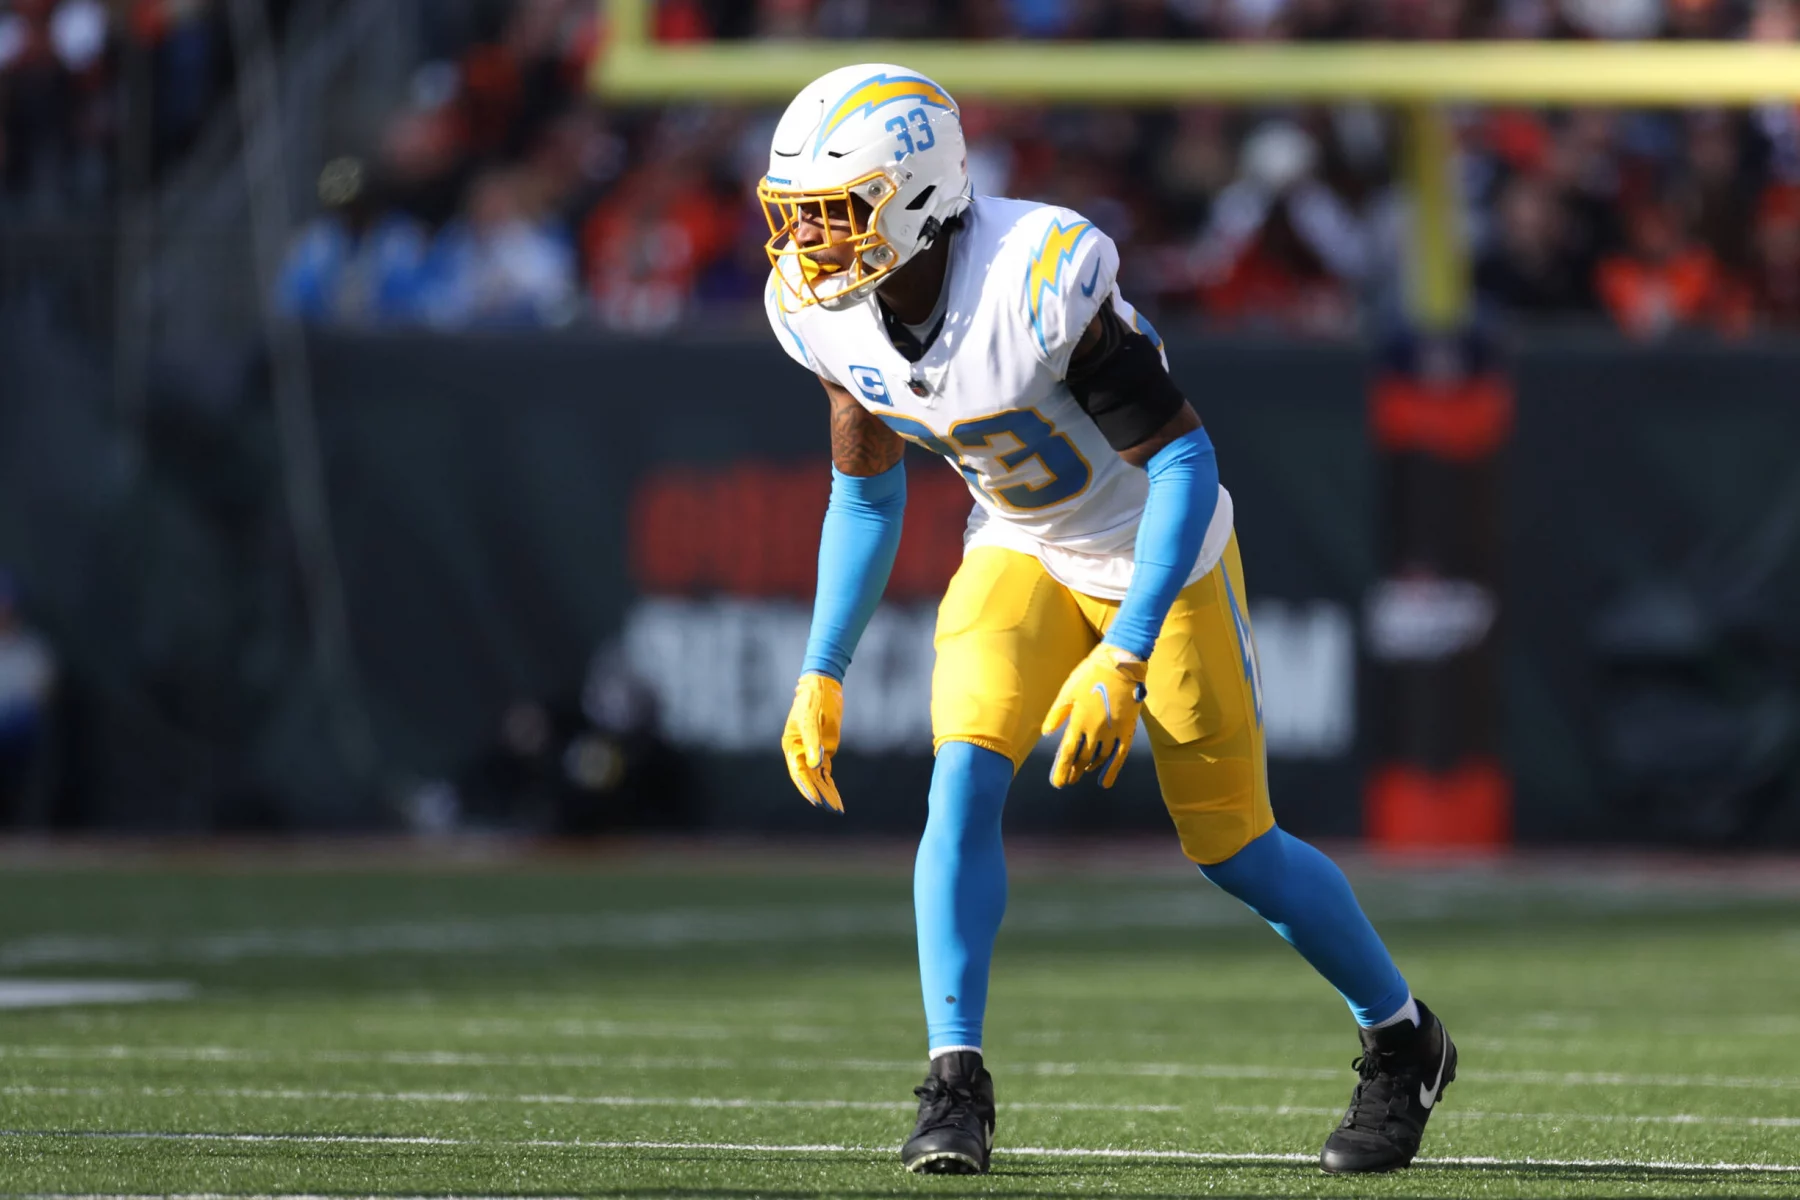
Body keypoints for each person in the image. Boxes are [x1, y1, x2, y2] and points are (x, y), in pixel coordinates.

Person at [762, 64, 1457, 1177]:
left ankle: (1403, 1036)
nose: (810, 241)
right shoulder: (822, 310)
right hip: (1022, 542)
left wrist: (1127, 649)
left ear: (921, 194)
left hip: (1157, 550)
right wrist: (822, 665)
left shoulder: (1035, 274)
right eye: (798, 214)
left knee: (1234, 847)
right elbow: (867, 493)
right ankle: (955, 1081)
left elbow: (1184, 460)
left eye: (836, 212)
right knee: (962, 778)